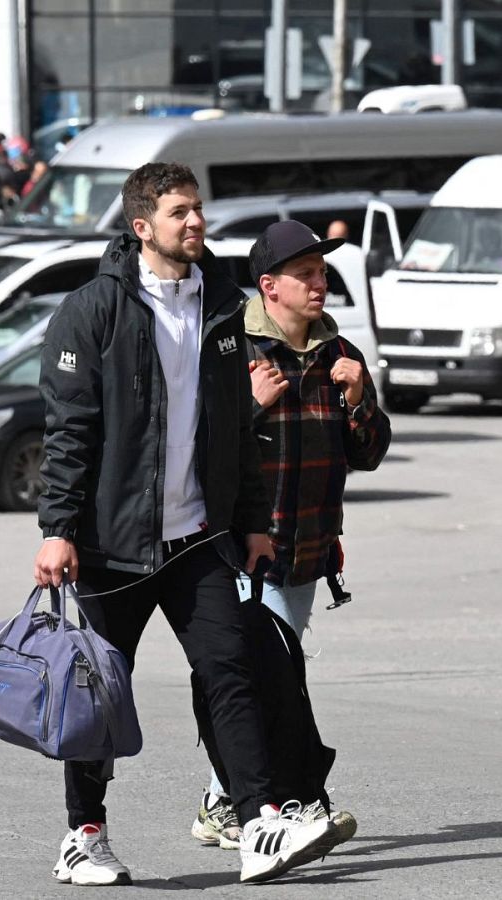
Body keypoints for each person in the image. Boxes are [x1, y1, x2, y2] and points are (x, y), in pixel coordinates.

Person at [33, 162, 340, 887]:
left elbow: (238, 428)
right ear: (143, 227)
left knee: (230, 670)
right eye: (179, 212)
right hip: (111, 544)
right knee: (101, 694)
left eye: (197, 209)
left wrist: (255, 523)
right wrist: (58, 528)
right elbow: (69, 429)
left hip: (198, 537)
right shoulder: (94, 310)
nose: (195, 222)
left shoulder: (224, 308)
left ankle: (260, 821)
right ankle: (84, 834)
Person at [189, 219, 391, 851]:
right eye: (305, 274)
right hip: (239, 544)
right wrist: (246, 406)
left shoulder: (340, 355)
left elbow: (370, 454)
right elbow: (194, 450)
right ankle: (275, 803)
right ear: (269, 286)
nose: (319, 284)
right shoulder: (233, 349)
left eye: (322, 273)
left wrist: (360, 401)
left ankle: (226, 800)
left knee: (262, 676)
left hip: (305, 550)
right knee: (259, 675)